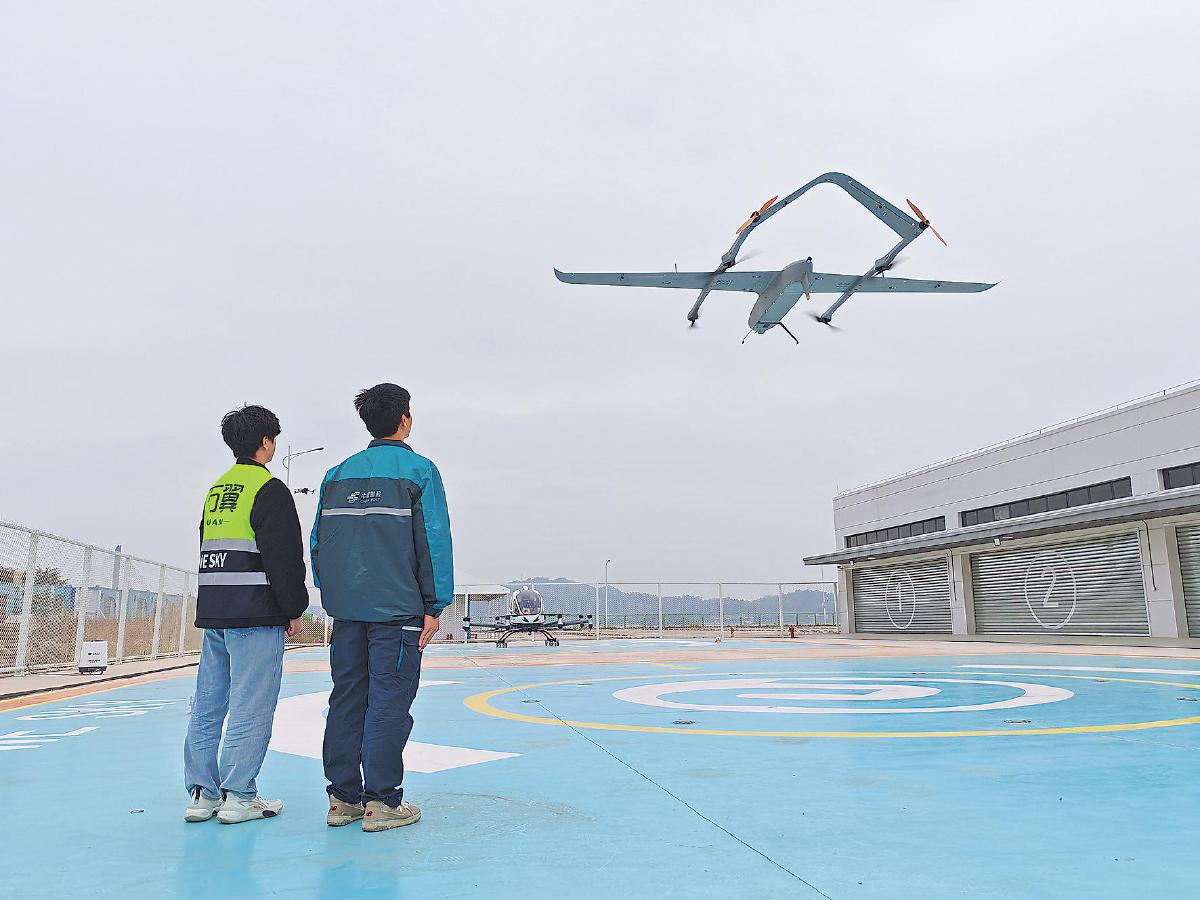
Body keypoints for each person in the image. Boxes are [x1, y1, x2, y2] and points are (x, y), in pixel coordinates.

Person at [312, 383, 453, 833]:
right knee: (389, 702)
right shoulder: (419, 471)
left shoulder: (336, 475)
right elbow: (433, 541)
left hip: (346, 613)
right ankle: (382, 800)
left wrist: (335, 595)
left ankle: (342, 799)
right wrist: (434, 604)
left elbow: (318, 545)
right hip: (397, 612)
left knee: (347, 699)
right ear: (405, 419)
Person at [183, 404, 309, 825]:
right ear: (266, 442)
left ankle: (201, 795)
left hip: (215, 612)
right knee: (251, 706)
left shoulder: (217, 490)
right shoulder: (268, 489)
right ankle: (239, 797)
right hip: (256, 613)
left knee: (208, 705)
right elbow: (283, 558)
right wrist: (294, 609)